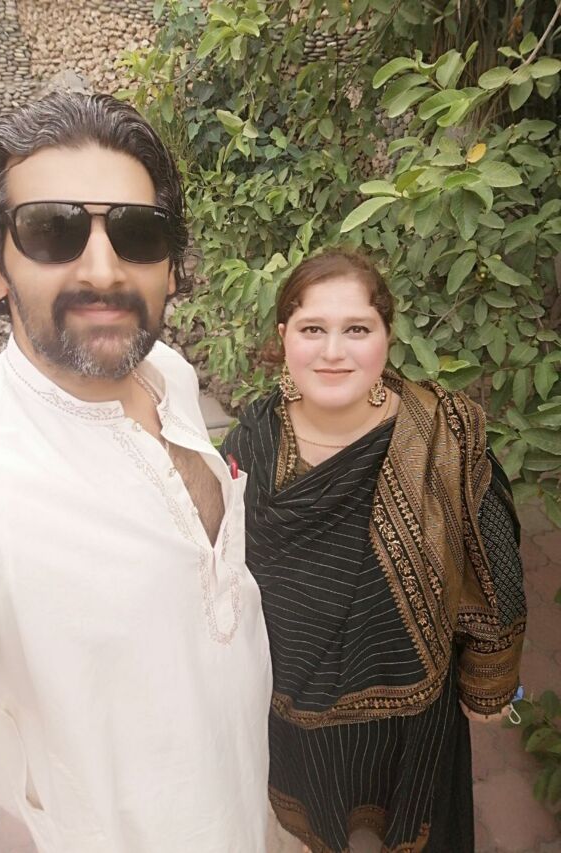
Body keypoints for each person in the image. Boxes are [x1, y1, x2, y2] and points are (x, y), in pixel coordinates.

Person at [0, 92, 272, 853]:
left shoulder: (169, 375)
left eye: (138, 233)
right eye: (53, 231)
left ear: (170, 268)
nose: (105, 269)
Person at [221, 250, 526, 853]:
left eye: (357, 329)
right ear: (284, 337)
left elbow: (492, 555)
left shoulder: (442, 432)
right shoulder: (253, 441)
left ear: (387, 335)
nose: (334, 352)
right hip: (295, 713)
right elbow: (219, 569)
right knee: (320, 826)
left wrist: (490, 679)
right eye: (313, 329)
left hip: (413, 715)